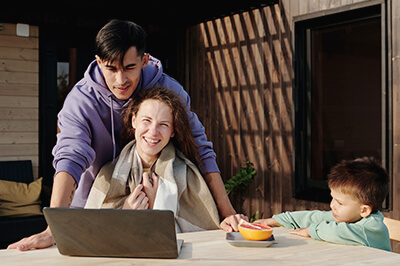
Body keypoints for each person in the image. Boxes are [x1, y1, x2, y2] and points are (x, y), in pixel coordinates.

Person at [8, 19, 242, 251]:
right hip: (95, 207)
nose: (121, 80)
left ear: (144, 60)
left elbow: (201, 149)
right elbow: (70, 157)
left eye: (130, 67)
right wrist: (54, 228)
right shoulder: (80, 102)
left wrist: (228, 213)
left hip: (163, 211)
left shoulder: (170, 91)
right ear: (99, 62)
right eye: (111, 68)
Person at [85, 87, 234, 232]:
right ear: (134, 120)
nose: (153, 132)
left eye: (163, 124)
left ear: (173, 131)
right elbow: (90, 231)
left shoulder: (188, 178)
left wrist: (158, 204)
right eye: (146, 121)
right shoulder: (108, 174)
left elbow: (204, 236)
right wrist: (126, 213)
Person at [255, 157, 391, 251]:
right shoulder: (350, 216)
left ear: (364, 210)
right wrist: (275, 220)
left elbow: (338, 231)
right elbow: (315, 217)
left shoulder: (373, 228)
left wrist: (310, 231)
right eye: (333, 198)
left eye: (340, 203)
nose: (332, 205)